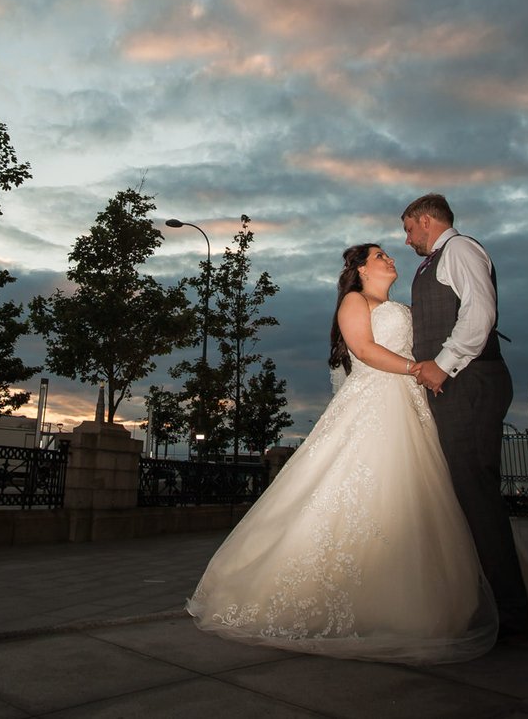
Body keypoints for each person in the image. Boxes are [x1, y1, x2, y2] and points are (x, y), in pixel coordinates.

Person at [186, 244, 499, 664]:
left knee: (412, 494)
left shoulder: (401, 306)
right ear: (360, 269)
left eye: (389, 254)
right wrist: (413, 368)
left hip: (410, 402)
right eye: (380, 255)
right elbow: (364, 349)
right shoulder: (356, 301)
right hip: (376, 398)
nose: (390, 259)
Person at [403, 193, 528, 639]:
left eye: (408, 229)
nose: (407, 239)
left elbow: (480, 310)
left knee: (476, 494)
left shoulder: (460, 249)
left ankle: (512, 618)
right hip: (456, 386)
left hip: (471, 382)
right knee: (463, 495)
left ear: (425, 220)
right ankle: (485, 605)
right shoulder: (435, 260)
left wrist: (445, 361)